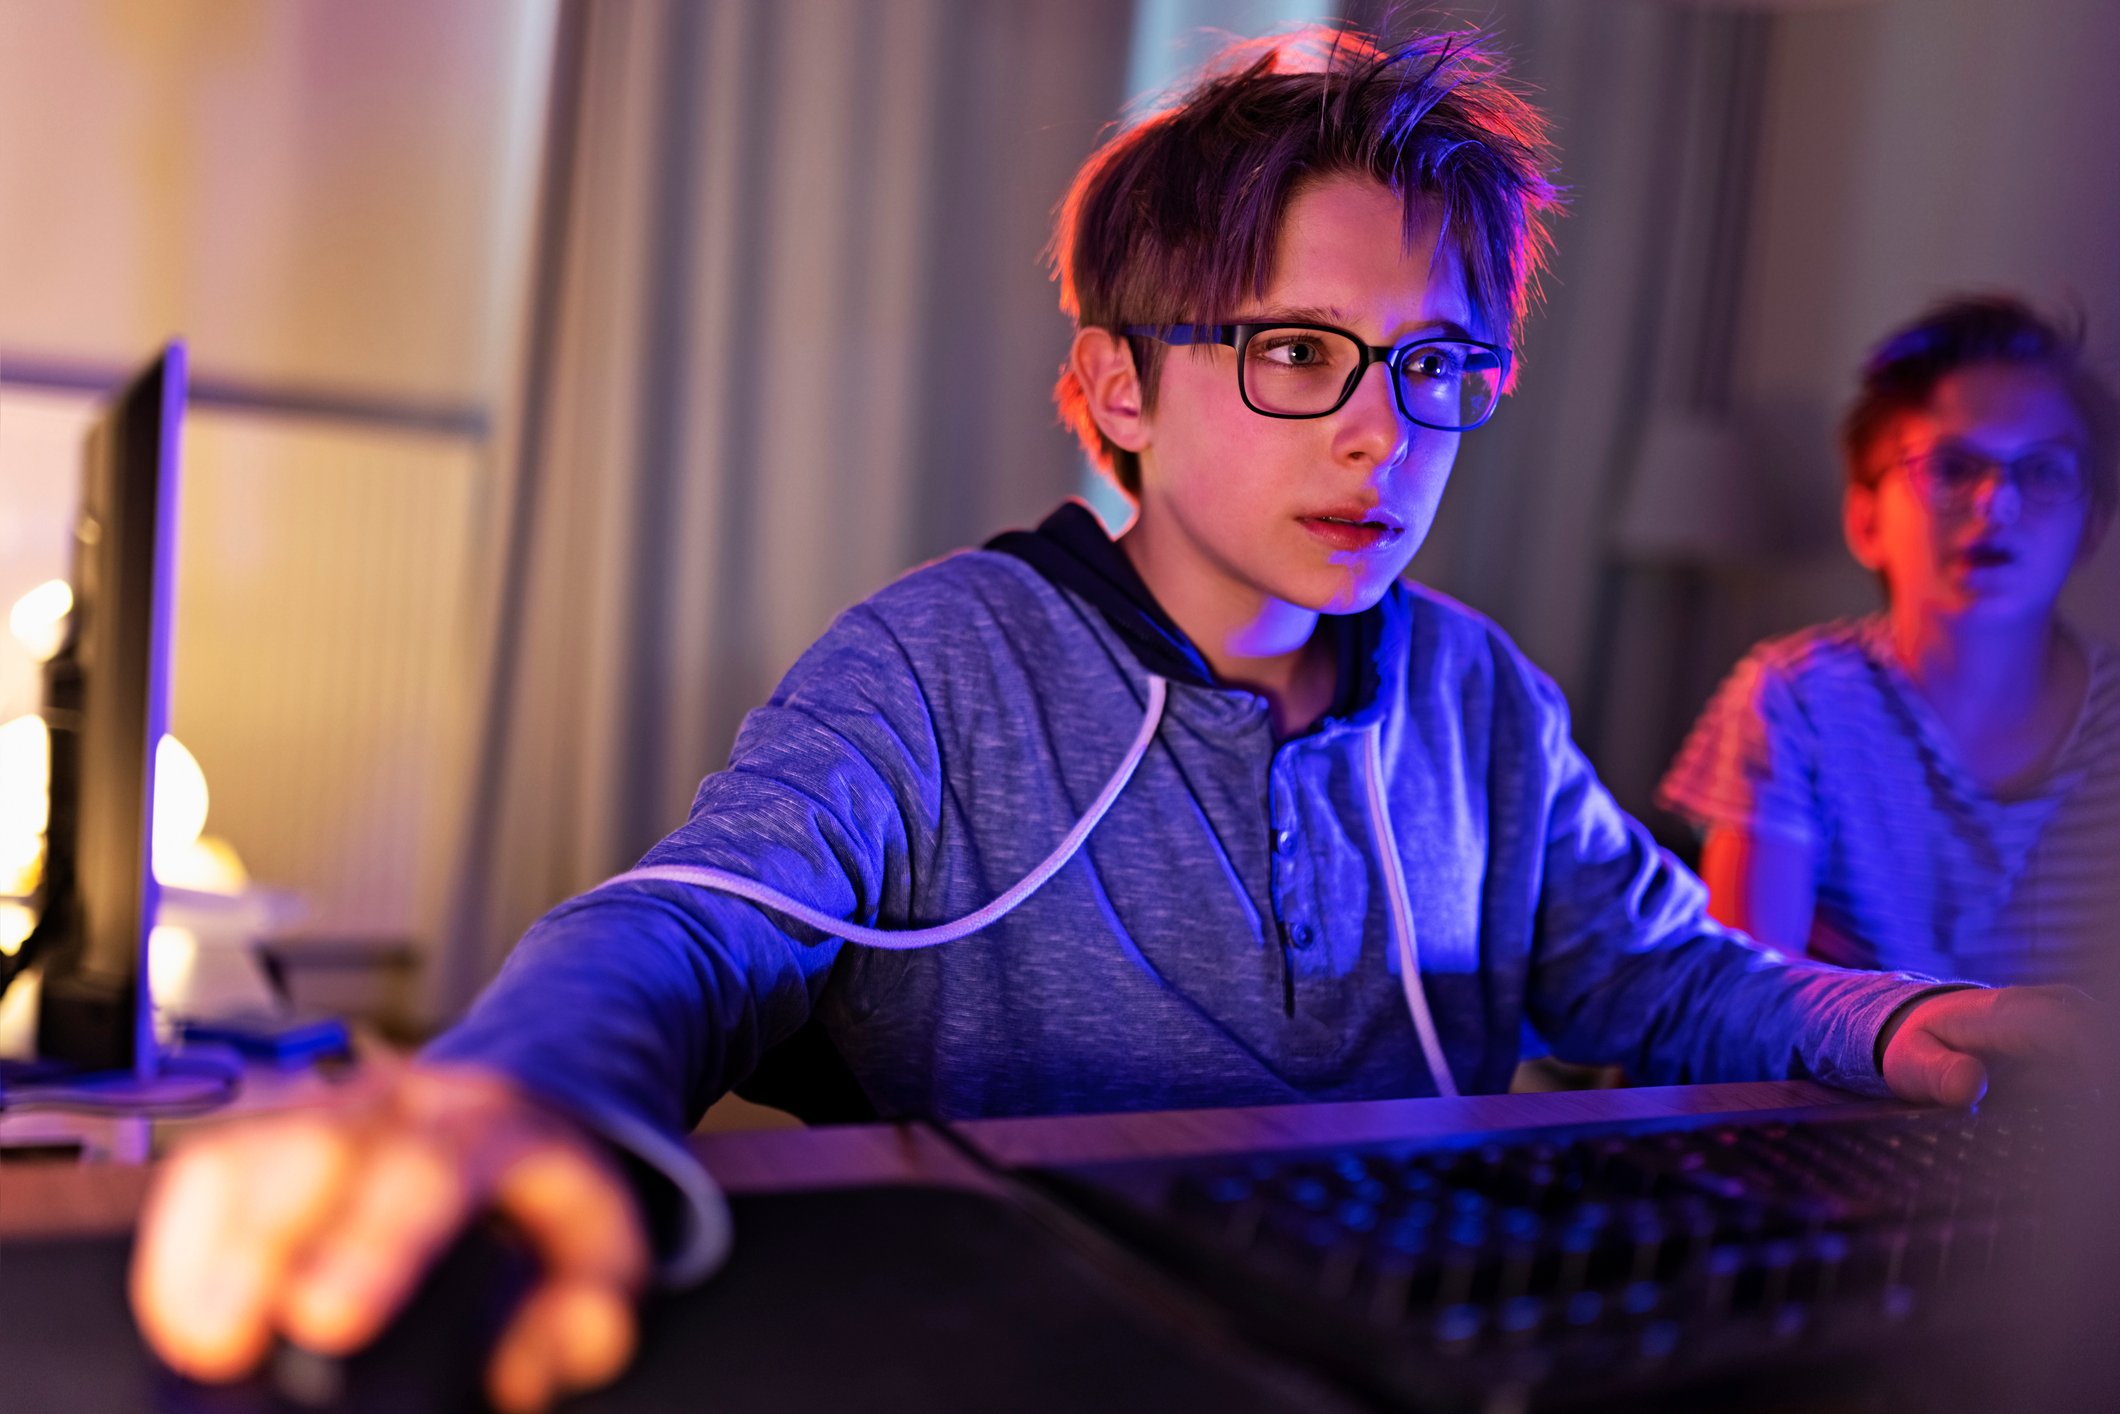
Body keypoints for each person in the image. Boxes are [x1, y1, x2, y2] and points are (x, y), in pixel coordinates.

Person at [130, 31, 2095, 1414]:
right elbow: (690, 925)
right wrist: (519, 1088)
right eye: (1298, 350)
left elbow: (1668, 969)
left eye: (1434, 364)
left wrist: (1910, 1021)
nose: (1381, 432)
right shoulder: (942, 661)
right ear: (1116, 390)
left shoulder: (1483, 694)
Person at [1660, 296, 2118, 986]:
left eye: (2043, 471)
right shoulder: (1797, 701)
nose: (1996, 504)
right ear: (1866, 520)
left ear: (2091, 526)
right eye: (1952, 468)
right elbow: (1748, 1003)